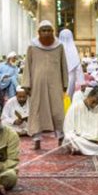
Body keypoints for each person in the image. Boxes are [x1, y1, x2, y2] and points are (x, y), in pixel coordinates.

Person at [23, 20, 67, 150]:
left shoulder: (59, 46)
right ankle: (37, 140)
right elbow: (27, 65)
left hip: (56, 84)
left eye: (49, 30)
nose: (46, 33)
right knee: (37, 111)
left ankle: (60, 137)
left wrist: (65, 83)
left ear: (53, 32)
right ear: (39, 32)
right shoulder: (32, 46)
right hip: (37, 85)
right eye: (44, 30)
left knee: (58, 112)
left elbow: (63, 65)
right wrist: (26, 84)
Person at [62, 87, 98, 156]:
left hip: (96, 141)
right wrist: (79, 136)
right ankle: (92, 150)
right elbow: (68, 129)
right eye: (93, 102)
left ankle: (84, 150)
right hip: (80, 139)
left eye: (97, 103)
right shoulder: (75, 107)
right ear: (88, 96)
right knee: (70, 139)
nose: (94, 105)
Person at [59, 29, 85, 99]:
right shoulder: (73, 49)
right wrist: (81, 82)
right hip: (71, 77)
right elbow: (78, 67)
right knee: (68, 97)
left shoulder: (57, 49)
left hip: (58, 77)